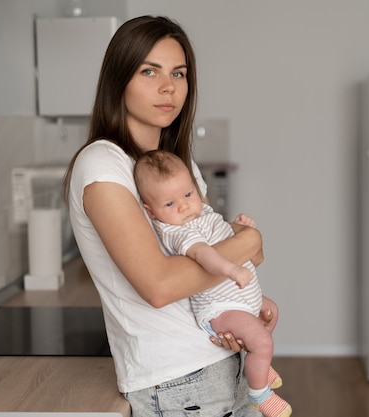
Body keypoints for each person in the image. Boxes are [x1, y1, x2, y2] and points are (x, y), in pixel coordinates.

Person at [63, 15, 280, 417]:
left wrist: (230, 311)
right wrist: (248, 241)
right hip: (177, 380)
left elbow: (228, 251)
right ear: (119, 80)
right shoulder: (102, 164)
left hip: (220, 359)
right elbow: (160, 285)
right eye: (149, 71)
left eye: (178, 73)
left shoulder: (174, 164)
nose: (169, 87)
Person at [133, 150, 291, 417]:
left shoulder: (200, 213)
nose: (183, 206)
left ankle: (259, 362)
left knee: (271, 311)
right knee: (263, 342)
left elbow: (224, 233)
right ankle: (260, 394)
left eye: (187, 195)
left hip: (237, 299)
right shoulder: (178, 232)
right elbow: (204, 255)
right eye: (169, 204)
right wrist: (230, 268)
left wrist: (240, 227)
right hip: (220, 308)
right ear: (151, 211)